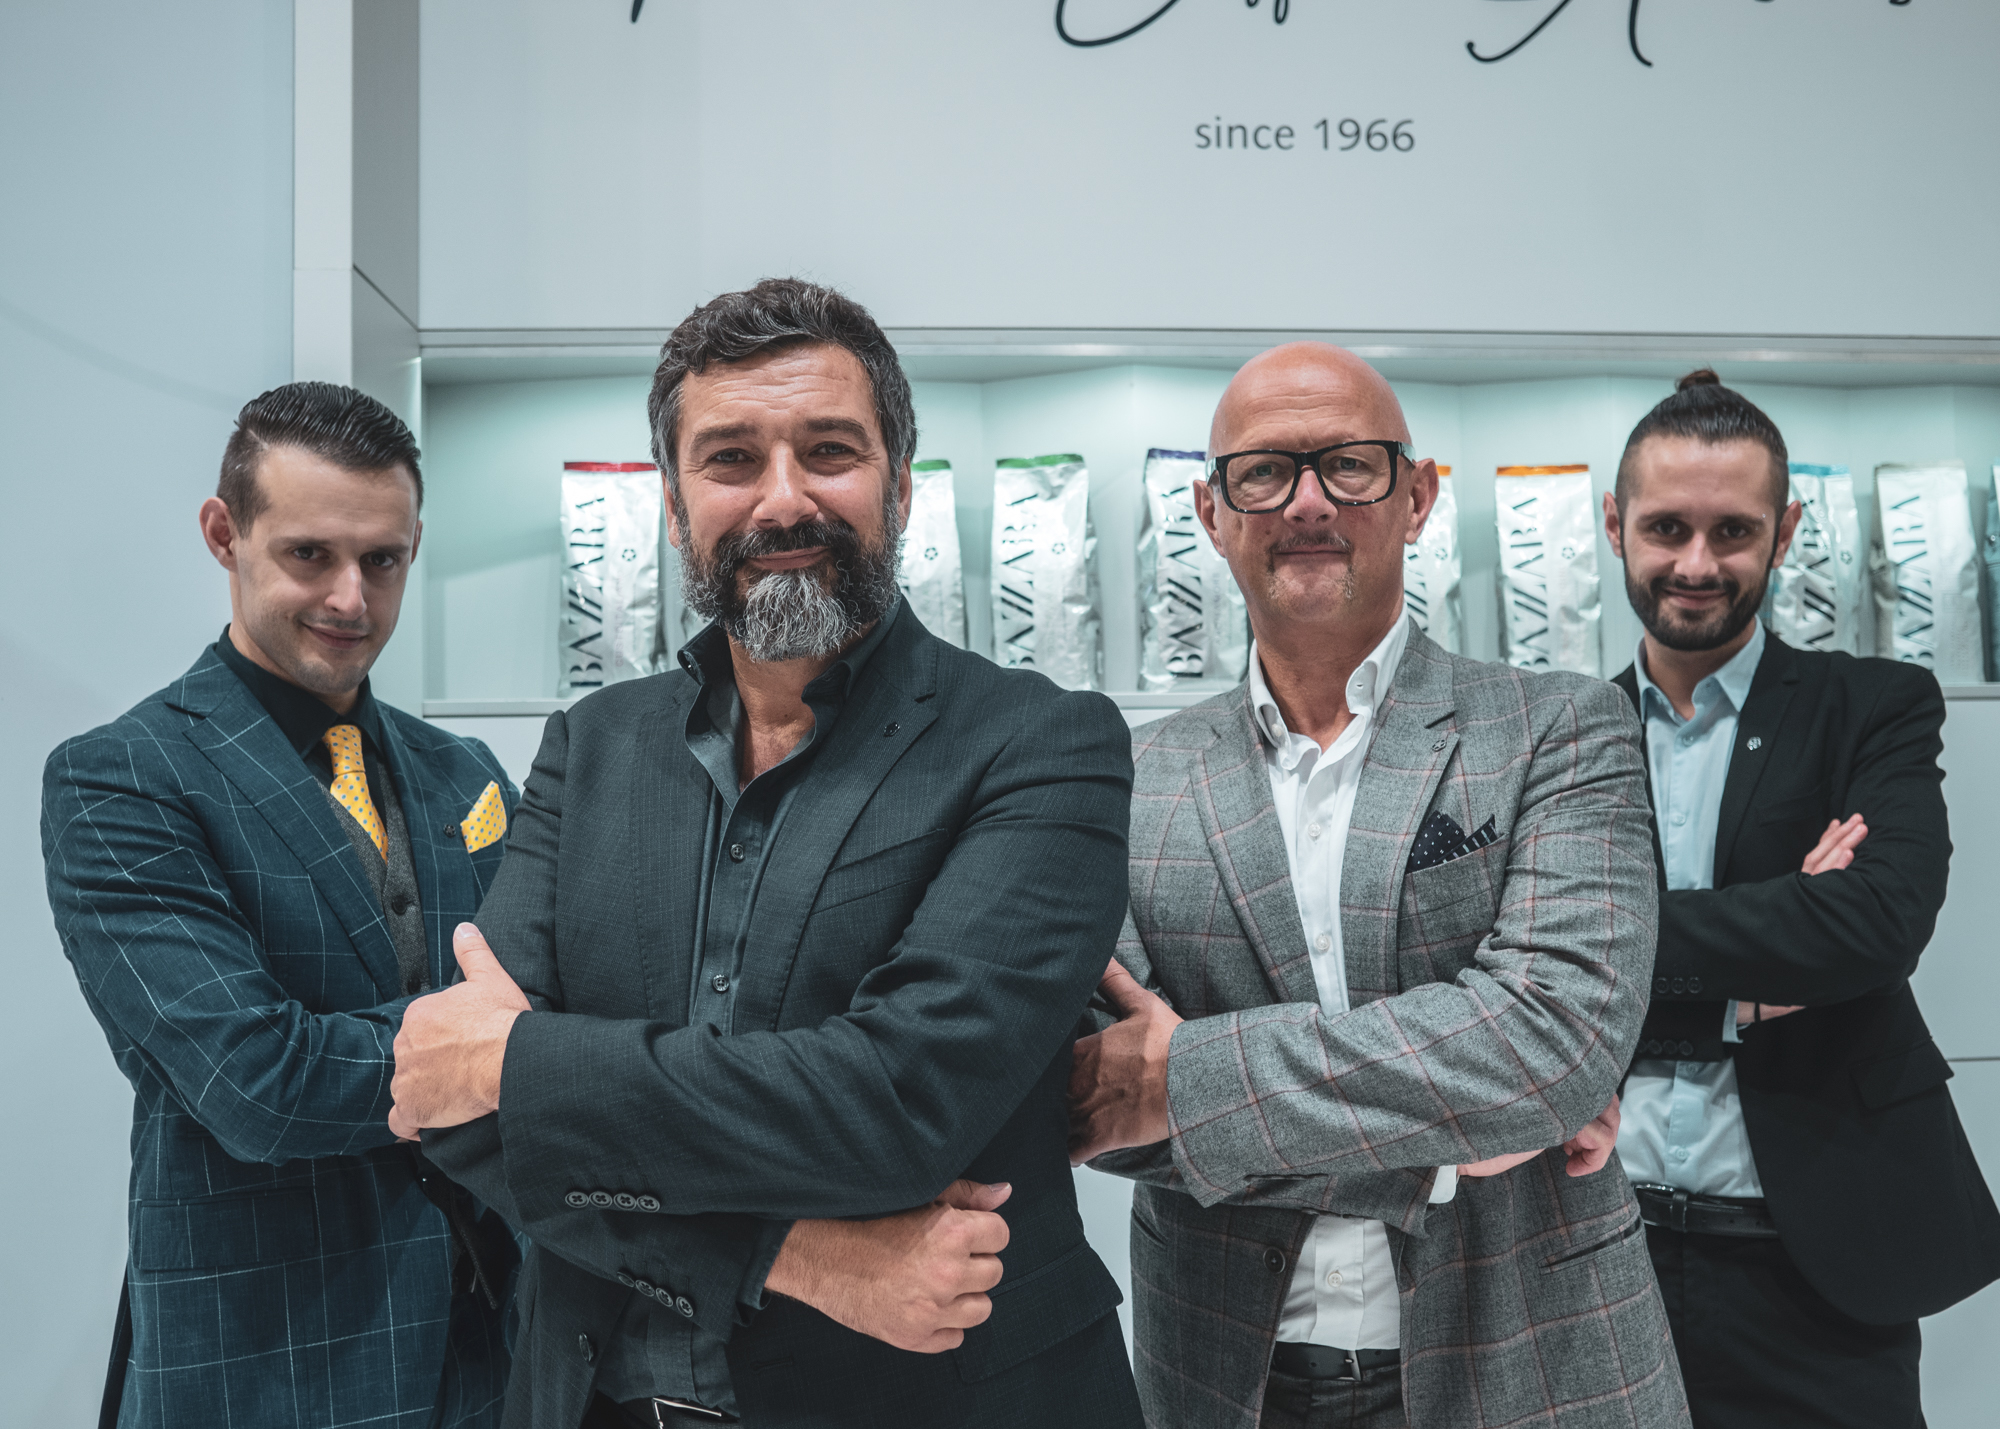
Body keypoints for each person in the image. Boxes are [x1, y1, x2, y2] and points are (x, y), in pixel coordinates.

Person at [393, 278, 1145, 1429]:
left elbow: (894, 1105)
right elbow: (460, 1115)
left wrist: (524, 1064)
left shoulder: (1041, 744)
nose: (783, 499)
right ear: (673, 503)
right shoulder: (588, 747)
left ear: (899, 481)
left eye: (828, 451)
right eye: (731, 459)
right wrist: (791, 1257)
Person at [1068, 342, 1688, 1429]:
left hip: (1538, 1366)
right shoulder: (1125, 775)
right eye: (1264, 471)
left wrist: (1192, 1081)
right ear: (1210, 513)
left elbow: (1550, 1040)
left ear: (1417, 496)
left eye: (1348, 465)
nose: (1307, 501)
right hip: (1225, 1376)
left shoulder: (1561, 726)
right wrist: (1457, 1138)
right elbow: (1097, 1091)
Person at [42, 384, 520, 1429]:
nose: (351, 597)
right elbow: (255, 1079)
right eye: (310, 554)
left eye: (382, 560)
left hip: (496, 1362)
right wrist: (503, 1050)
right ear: (225, 533)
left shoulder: (465, 772)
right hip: (269, 1368)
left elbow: (563, 987)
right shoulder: (121, 778)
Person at [1602, 370, 2000, 1429]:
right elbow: (1509, 956)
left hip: (1818, 1268)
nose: (1696, 563)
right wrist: (1756, 972)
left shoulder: (1871, 706)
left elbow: (1874, 922)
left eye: (1732, 531)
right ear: (1614, 525)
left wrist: (1608, 950)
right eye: (1666, 527)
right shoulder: (1555, 730)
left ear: (1781, 534)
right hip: (1598, 1258)